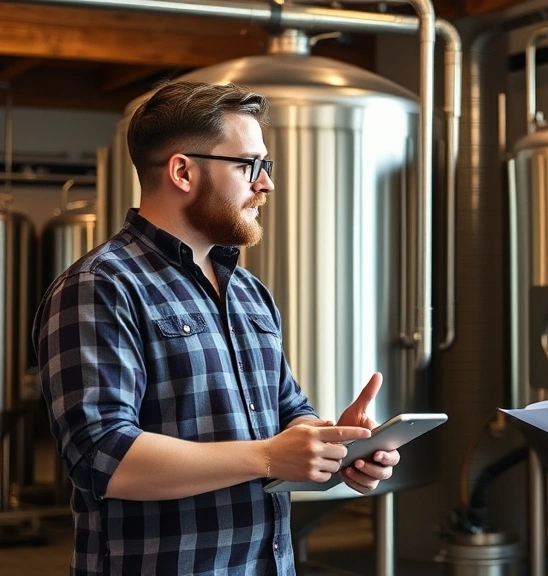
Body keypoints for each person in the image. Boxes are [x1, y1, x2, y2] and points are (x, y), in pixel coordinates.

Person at [32, 80, 400, 576]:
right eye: (249, 165)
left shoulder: (248, 291)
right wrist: (269, 457)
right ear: (183, 171)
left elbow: (288, 410)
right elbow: (102, 454)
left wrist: (332, 444)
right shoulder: (101, 285)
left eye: (265, 166)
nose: (265, 183)